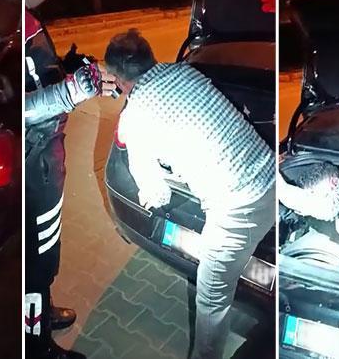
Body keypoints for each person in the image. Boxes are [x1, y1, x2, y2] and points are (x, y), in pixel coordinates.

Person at [108, 29, 275, 359]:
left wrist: (152, 194)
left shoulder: (135, 116)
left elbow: (156, 193)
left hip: (242, 208)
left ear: (119, 80)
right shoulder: (186, 71)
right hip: (270, 176)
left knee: (211, 296)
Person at [23, 0, 116, 359]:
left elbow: (38, 76)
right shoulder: (9, 24)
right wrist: (73, 90)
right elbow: (18, 106)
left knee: (45, 251)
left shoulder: (24, 17)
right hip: (31, 164)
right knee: (36, 258)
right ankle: (35, 344)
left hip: (45, 157)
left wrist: (73, 67)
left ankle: (38, 313)